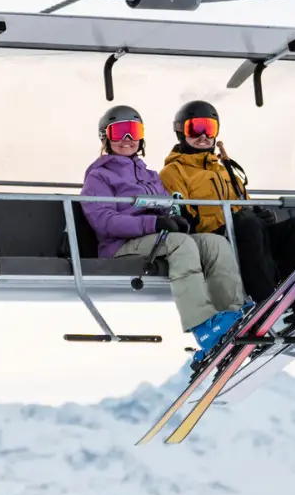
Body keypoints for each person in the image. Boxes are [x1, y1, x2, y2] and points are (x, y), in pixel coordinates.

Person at [80, 105, 247, 357]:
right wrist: (154, 224)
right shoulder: (98, 177)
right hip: (120, 246)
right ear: (106, 137)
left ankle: (232, 314)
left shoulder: (148, 175)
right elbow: (105, 221)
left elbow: (165, 205)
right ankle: (203, 325)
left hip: (154, 239)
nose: (127, 139)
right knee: (180, 244)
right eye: (119, 132)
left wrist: (173, 217)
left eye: (133, 131)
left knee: (214, 243)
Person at [158, 99, 295, 325]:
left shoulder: (225, 170)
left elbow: (244, 205)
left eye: (209, 128)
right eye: (195, 129)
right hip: (215, 238)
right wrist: (239, 219)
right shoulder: (172, 172)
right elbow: (183, 215)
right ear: (180, 133)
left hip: (246, 234)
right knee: (248, 225)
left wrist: (259, 215)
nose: (203, 136)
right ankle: (265, 302)